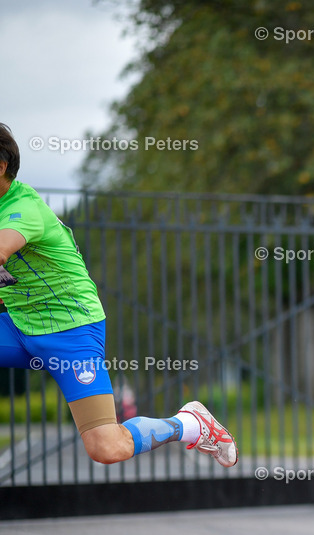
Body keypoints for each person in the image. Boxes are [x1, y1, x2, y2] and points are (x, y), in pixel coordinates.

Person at [0, 123, 237, 466]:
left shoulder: (23, 208)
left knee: (107, 448)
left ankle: (189, 424)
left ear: (2, 166)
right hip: (19, 325)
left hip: (70, 331)